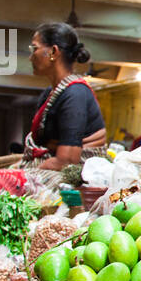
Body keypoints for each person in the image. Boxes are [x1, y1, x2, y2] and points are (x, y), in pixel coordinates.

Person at [23, 22, 107, 171]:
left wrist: (30, 172)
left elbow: (67, 161)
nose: (30, 57)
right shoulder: (50, 94)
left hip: (71, 173)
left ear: (53, 52)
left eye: (34, 49)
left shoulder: (75, 94)